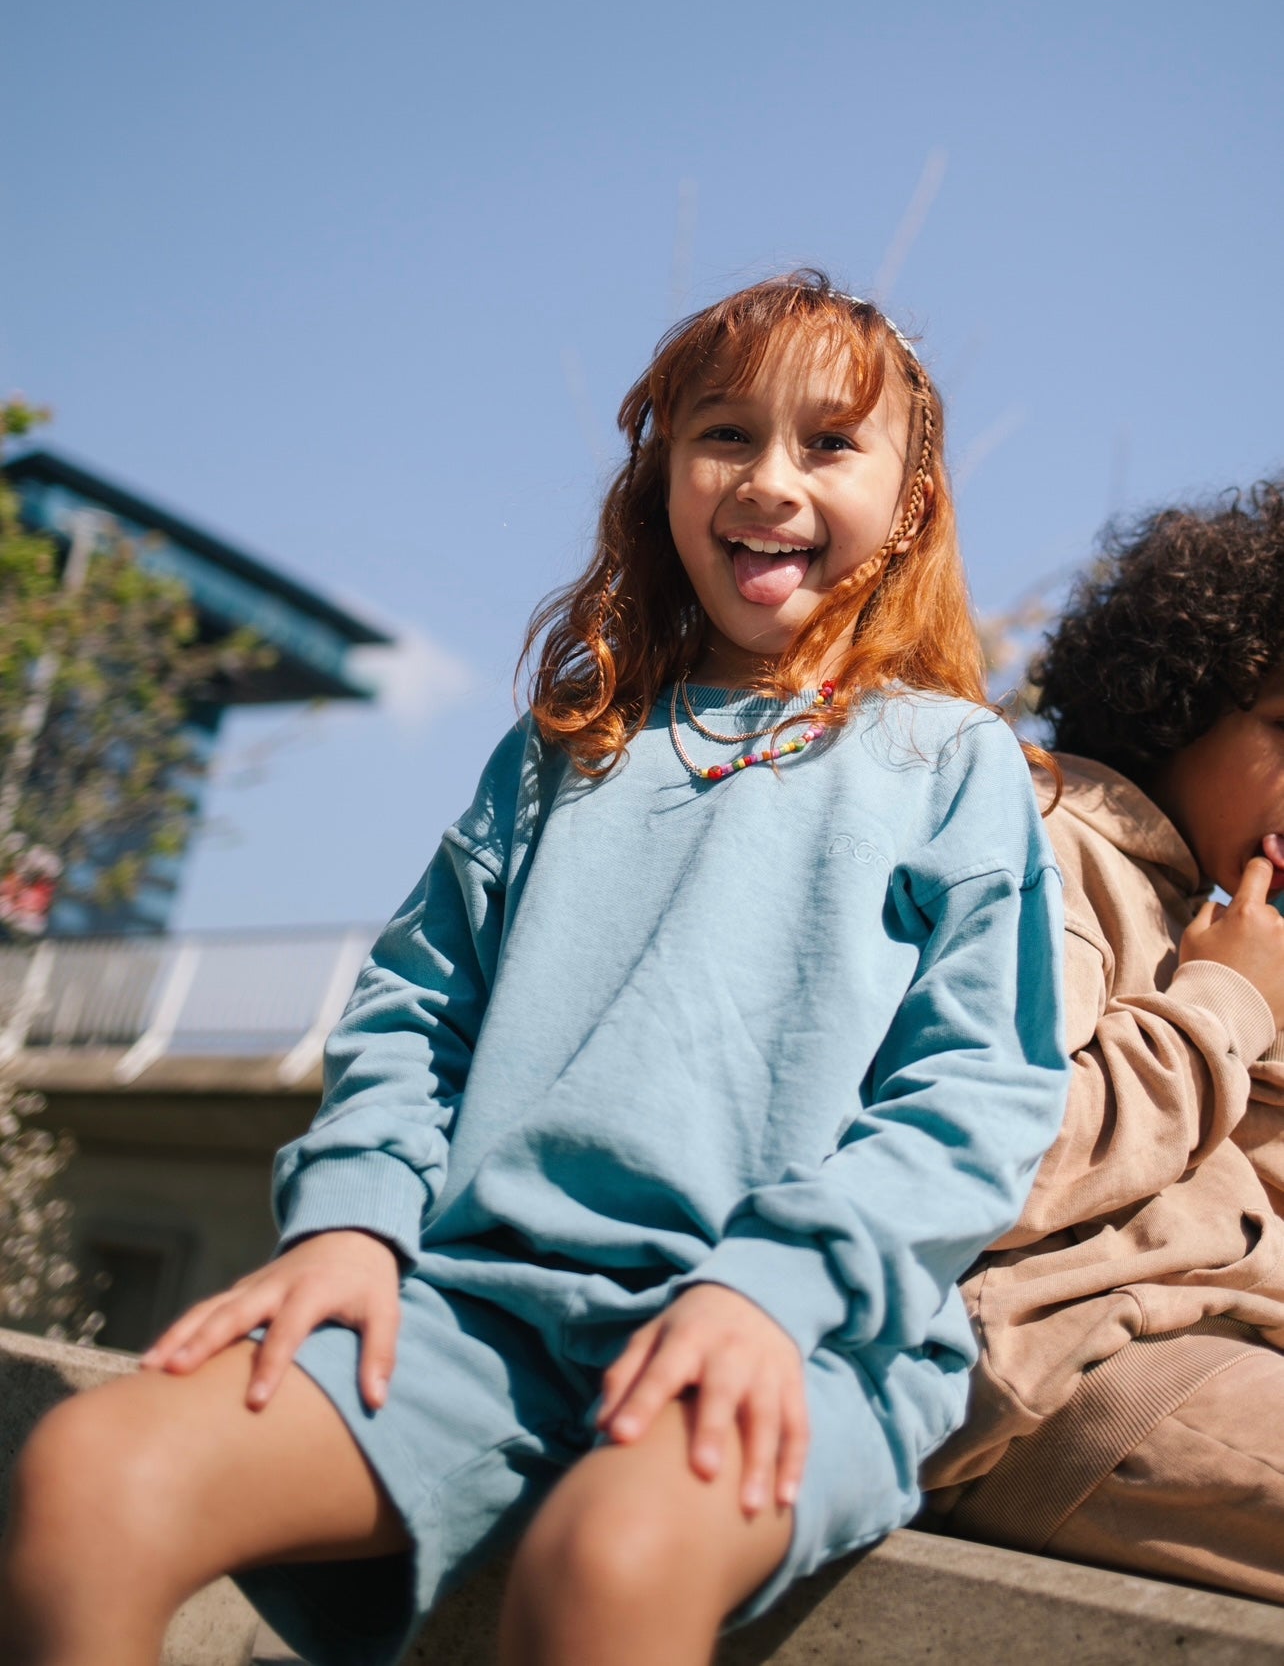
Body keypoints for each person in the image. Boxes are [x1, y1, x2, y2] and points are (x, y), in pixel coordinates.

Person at [0, 273, 1066, 1666]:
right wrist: (354, 1219)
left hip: (786, 1339)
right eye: (725, 434)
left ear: (913, 500)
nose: (770, 479)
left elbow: (976, 1089)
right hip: (472, 1317)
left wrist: (774, 1289)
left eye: (829, 442)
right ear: (665, 473)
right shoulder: (568, 750)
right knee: (92, 1471)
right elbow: (413, 1011)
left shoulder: (952, 764)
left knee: (605, 1562)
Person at [925, 482, 1284, 1602]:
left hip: (1196, 1360)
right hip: (1083, 1382)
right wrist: (1219, 1005)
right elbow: (1004, 1165)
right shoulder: (1056, 844)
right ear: (1181, 698)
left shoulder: (1211, 920)